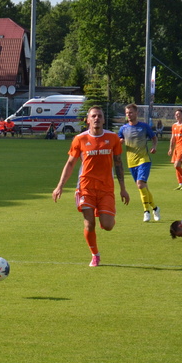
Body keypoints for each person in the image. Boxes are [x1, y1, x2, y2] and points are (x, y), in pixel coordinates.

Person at [52, 106, 130, 267]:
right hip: (85, 187)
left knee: (107, 226)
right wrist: (60, 186)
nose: (96, 118)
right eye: (93, 116)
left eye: (99, 116)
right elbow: (70, 163)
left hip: (106, 188)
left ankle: (102, 215)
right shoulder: (79, 139)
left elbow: (118, 164)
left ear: (103, 119)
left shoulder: (112, 138)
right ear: (87, 120)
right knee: (89, 223)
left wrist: (123, 188)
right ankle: (95, 255)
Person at [117, 103, 160, 222]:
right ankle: (155, 208)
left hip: (144, 160)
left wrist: (154, 146)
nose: (128, 115)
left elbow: (154, 137)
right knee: (142, 187)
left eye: (130, 112)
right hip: (131, 162)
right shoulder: (123, 128)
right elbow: (119, 139)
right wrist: (119, 141)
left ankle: (146, 211)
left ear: (136, 113)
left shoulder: (144, 126)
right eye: (126, 113)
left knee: (140, 184)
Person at [167, 109, 182, 190]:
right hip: (176, 147)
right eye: (176, 114)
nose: (177, 115)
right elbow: (172, 138)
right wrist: (170, 148)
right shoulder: (174, 125)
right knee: (176, 166)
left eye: (179, 114)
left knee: (177, 165)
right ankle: (180, 184)